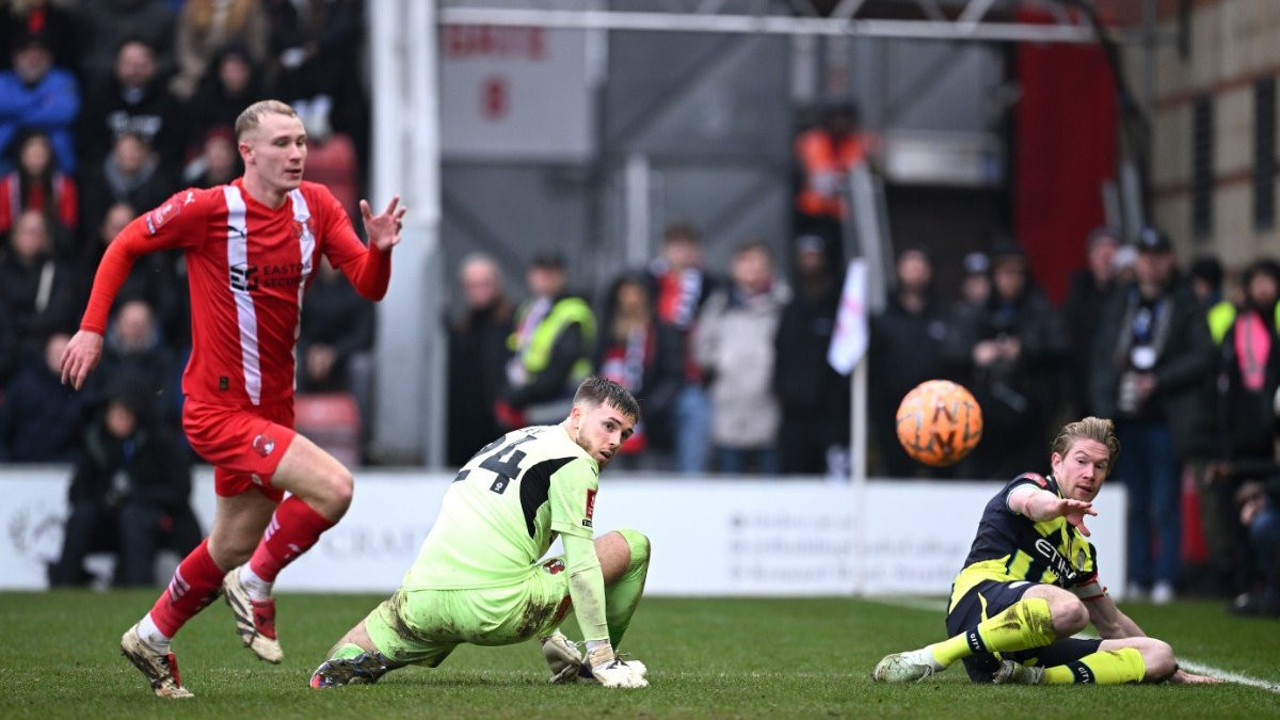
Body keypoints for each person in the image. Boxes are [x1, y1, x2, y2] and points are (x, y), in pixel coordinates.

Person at [60, 99, 406, 700]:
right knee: (334, 489)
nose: (297, 153)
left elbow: (368, 288)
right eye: (281, 143)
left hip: (273, 409)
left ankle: (152, 635)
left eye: (300, 141)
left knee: (230, 544)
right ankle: (257, 584)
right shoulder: (209, 208)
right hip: (217, 410)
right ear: (247, 152)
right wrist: (92, 327)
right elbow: (124, 244)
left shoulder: (317, 206)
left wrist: (379, 249)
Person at [309, 377, 651, 690]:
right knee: (633, 545)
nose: (615, 441)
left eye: (624, 434)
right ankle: (601, 662)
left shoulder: (519, 437)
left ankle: (349, 663)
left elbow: (497, 537)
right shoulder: (575, 461)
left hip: (424, 598)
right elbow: (581, 566)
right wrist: (600, 652)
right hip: (495, 608)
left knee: (345, 653)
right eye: (608, 426)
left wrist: (549, 633)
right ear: (577, 416)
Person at [872, 417, 1217, 686]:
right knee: (1069, 609)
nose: (1090, 474)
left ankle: (1036, 677)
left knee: (1157, 653)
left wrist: (1171, 670)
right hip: (975, 608)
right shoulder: (1031, 486)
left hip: (1022, 654)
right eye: (1081, 461)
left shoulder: (1081, 550)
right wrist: (1056, 507)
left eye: (1100, 467)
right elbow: (1031, 503)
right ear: (1057, 461)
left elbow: (1111, 623)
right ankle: (933, 656)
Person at [1089, 227, 1214, 604]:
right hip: (1126, 417)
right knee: (1134, 501)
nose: (1152, 264)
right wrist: (1107, 400)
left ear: (1170, 260)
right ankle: (1139, 574)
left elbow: (1204, 355)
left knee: (1165, 501)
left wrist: (1159, 379)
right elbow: (1101, 355)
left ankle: (1166, 578)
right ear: (1137, 261)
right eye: (1145, 256)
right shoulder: (1122, 302)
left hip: (1166, 419)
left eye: (1158, 256)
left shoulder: (1185, 300)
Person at [49, 378, 201, 587]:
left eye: (126, 413)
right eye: (115, 413)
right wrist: (105, 500)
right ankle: (64, 585)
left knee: (134, 518)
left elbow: (180, 490)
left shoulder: (160, 443)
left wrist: (138, 497)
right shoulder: (96, 443)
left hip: (157, 521)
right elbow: (77, 493)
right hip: (108, 520)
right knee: (82, 518)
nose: (120, 419)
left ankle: (138, 587)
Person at [496, 251, 596, 429]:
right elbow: (517, 353)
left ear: (563, 276)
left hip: (560, 404)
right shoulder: (529, 309)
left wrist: (519, 396)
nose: (545, 278)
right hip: (531, 403)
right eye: (540, 273)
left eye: (551, 274)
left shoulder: (573, 311)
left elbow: (560, 366)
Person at [446, 252, 513, 467]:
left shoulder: (514, 324)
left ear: (497, 284)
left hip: (502, 422)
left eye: (484, 284)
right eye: (472, 285)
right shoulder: (461, 329)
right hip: (465, 427)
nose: (478, 291)